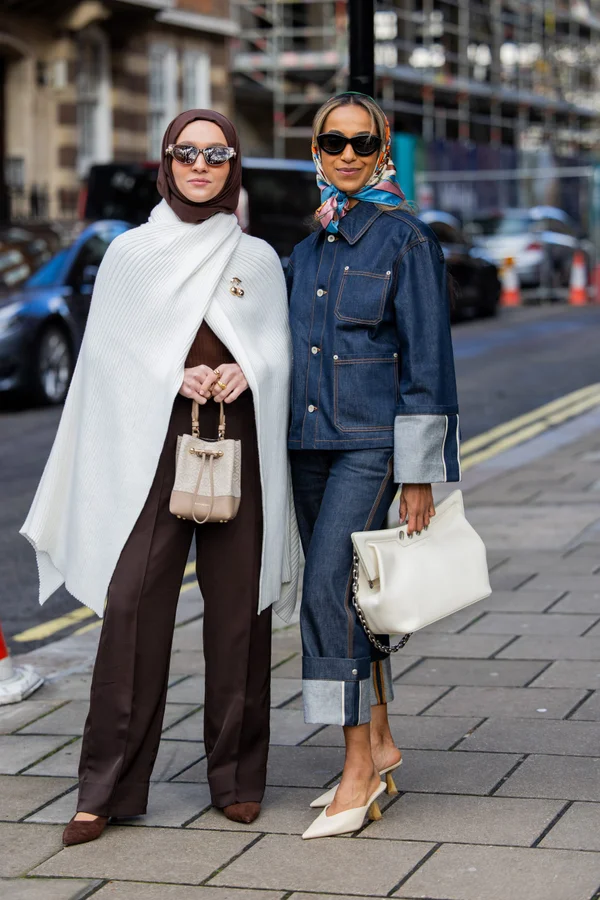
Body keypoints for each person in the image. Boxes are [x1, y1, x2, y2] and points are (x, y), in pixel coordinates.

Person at [21, 109, 299, 845]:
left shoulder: (258, 258)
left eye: (216, 154)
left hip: (237, 435)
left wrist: (250, 370)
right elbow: (106, 359)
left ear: (233, 164)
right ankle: (106, 788)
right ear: (166, 163)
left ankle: (237, 779)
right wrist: (172, 374)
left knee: (240, 616)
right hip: (153, 439)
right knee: (133, 607)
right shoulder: (131, 253)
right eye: (186, 153)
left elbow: (279, 350)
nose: (200, 165)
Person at [286, 92, 460, 840]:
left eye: (363, 143)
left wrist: (417, 472)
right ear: (316, 151)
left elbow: (429, 363)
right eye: (334, 141)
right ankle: (382, 740)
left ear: (382, 150)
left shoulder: (406, 241)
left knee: (327, 592)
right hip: (305, 445)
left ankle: (357, 767)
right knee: (353, 599)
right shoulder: (307, 248)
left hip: (370, 447)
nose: (348, 154)